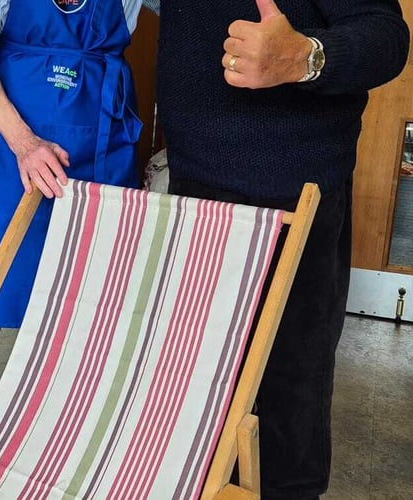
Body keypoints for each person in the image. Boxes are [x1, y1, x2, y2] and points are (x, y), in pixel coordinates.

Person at [154, 0, 408, 498]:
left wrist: (306, 57)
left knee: (291, 380)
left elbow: (387, 37)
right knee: (201, 374)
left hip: (294, 196)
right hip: (194, 189)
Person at [0, 0, 144, 498]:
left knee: (90, 313)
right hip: (7, 144)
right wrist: (23, 142)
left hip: (98, 145)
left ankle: (67, 462)